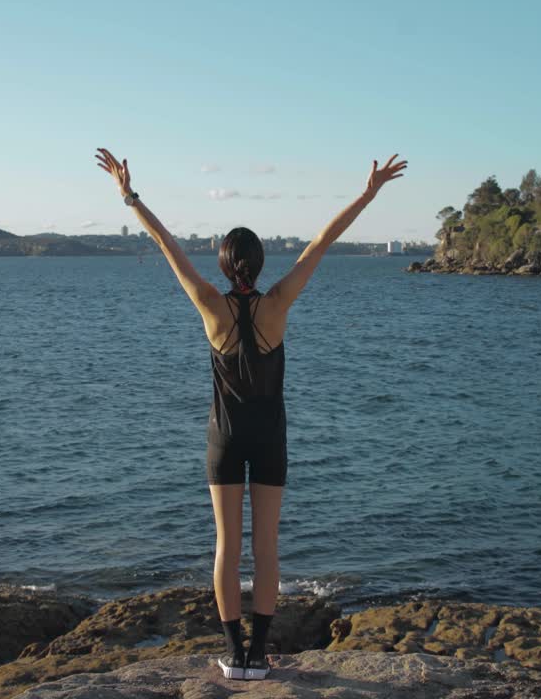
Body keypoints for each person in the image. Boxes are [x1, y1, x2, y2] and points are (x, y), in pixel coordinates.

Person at [94, 147, 406, 680]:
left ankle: (234, 656)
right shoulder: (278, 303)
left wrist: (130, 198)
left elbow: (167, 246)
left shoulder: (210, 304)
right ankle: (259, 656)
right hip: (269, 438)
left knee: (225, 548)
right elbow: (321, 243)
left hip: (223, 438)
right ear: (260, 264)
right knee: (266, 548)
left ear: (222, 264)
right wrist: (367, 194)